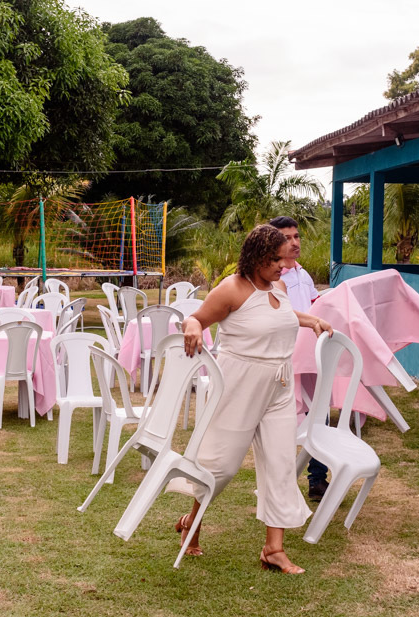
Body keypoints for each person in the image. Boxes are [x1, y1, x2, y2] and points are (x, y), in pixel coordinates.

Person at [175, 224, 334, 574]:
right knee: (220, 466)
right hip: (239, 384)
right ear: (258, 257)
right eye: (276, 259)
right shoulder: (231, 289)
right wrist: (191, 326)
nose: (284, 266)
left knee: (280, 464)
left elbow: (278, 315)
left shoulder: (276, 286)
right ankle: (191, 523)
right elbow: (197, 318)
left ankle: (273, 550)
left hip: (278, 384)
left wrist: (312, 321)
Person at [269, 216, 329, 501]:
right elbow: (280, 314)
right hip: (288, 358)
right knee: (288, 420)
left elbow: (317, 305)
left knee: (321, 415)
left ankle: (318, 480)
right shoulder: (273, 279)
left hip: (313, 356)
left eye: (296, 236)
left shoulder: (303, 275)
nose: (294, 242)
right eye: (286, 238)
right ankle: (279, 484)